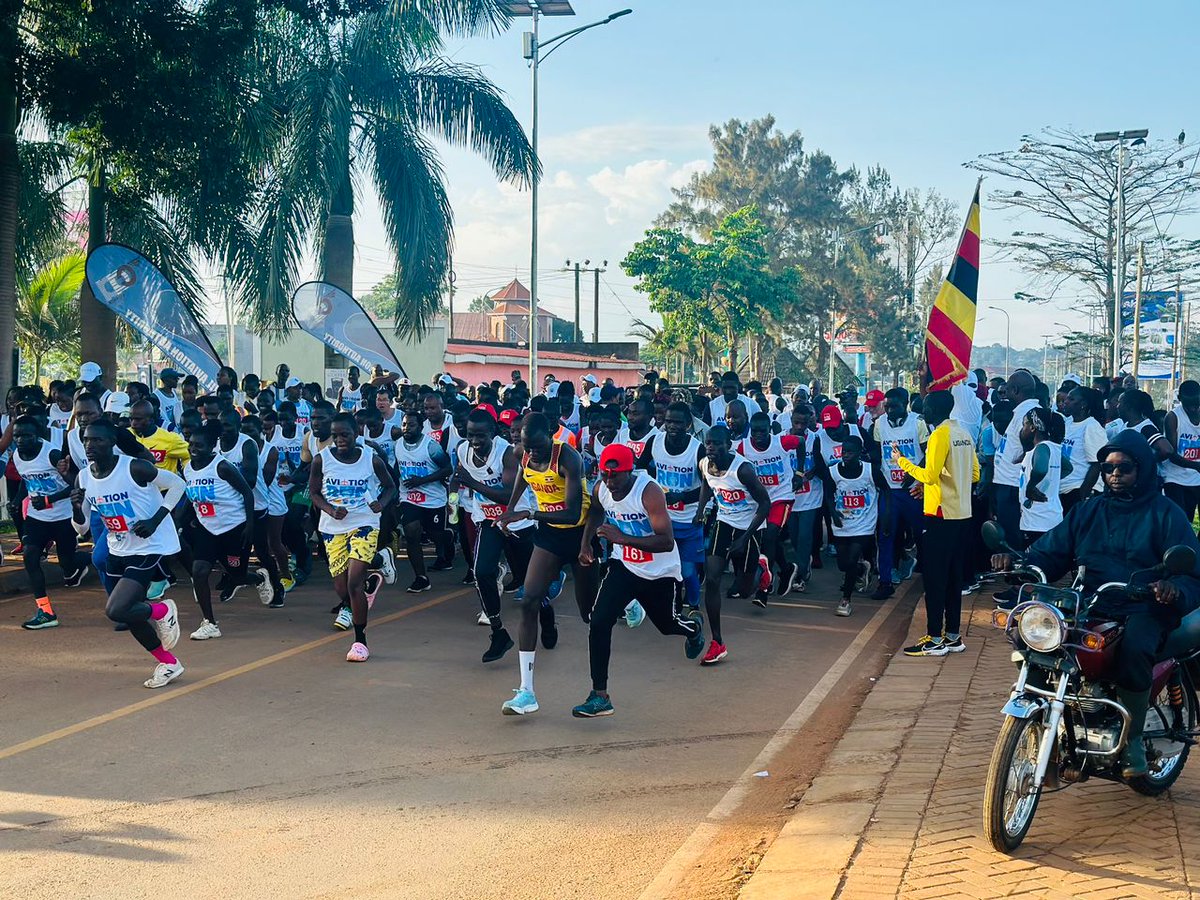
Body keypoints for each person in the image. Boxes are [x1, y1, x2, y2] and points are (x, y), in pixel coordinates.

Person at [991, 430, 1200, 778]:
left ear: (1144, 469)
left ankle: (1132, 741)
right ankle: (1061, 720)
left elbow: (1190, 571)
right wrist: (1020, 563)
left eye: (1125, 468)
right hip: (1090, 602)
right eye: (1107, 468)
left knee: (1135, 649)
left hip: (1144, 605)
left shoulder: (1167, 514)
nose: (1114, 475)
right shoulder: (1088, 510)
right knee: (1031, 637)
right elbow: (1052, 550)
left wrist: (1170, 587)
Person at [572, 444, 704, 717]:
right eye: (606, 476)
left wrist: (623, 538)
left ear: (629, 471)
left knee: (668, 627)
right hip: (625, 567)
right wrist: (585, 544)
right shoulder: (601, 489)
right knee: (598, 621)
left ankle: (693, 628)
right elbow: (596, 510)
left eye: (616, 476)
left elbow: (666, 541)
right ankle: (600, 696)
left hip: (660, 574)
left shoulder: (649, 492)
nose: (610, 483)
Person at [73, 418, 187, 688]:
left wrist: (156, 519)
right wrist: (77, 509)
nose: (90, 445)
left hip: (148, 546)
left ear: (112, 443)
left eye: (97, 440)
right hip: (117, 547)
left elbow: (178, 485)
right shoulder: (84, 477)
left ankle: (161, 609)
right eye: (86, 440)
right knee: (125, 612)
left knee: (116, 609)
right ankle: (169, 663)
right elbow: (82, 528)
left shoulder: (134, 468)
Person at [496, 412, 596, 716]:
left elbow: (570, 512)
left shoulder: (569, 458)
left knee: (588, 612)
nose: (533, 452)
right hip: (550, 536)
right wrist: (509, 509)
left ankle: (628, 601)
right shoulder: (522, 452)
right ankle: (527, 692)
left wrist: (527, 515)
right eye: (528, 446)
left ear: (552, 435)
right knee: (528, 601)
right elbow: (523, 479)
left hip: (580, 533)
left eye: (538, 446)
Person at [895, 390, 980, 656]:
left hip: (941, 515)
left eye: (927, 408)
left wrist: (902, 462)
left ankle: (934, 638)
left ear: (935, 410)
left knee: (935, 578)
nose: (923, 412)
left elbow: (930, 475)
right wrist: (936, 487)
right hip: (962, 513)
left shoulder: (939, 435)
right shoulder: (963, 433)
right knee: (955, 576)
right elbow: (974, 473)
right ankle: (953, 635)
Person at [310, 412, 397, 661]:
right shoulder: (321, 460)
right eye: (335, 435)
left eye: (344, 435)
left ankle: (360, 642)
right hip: (332, 527)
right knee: (341, 587)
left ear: (356, 434)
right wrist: (329, 509)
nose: (339, 440)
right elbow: (314, 493)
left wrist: (381, 503)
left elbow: (390, 486)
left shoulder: (371, 459)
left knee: (353, 583)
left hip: (364, 523)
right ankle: (379, 562)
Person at [455, 408, 534, 663]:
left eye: (481, 436)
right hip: (489, 521)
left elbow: (509, 496)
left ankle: (546, 616)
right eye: (470, 436)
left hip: (517, 522)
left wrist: (472, 483)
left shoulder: (507, 454)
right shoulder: (462, 450)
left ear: (493, 433)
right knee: (482, 572)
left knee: (529, 581)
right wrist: (453, 496)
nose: (475, 442)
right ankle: (498, 632)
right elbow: (457, 476)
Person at [696, 424, 771, 664]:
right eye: (708, 442)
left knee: (745, 589)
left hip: (750, 526)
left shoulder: (744, 470)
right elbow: (706, 485)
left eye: (717, 443)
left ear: (729, 445)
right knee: (714, 578)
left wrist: (745, 537)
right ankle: (717, 641)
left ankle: (762, 570)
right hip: (723, 522)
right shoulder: (705, 464)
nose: (712, 447)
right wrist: (701, 510)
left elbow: (765, 504)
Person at [181, 421, 261, 640]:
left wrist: (250, 525)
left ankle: (259, 579)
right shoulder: (188, 468)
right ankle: (209, 622)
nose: (193, 450)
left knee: (237, 575)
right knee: (199, 571)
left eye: (199, 446)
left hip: (234, 528)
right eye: (191, 445)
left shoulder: (222, 467)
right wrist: (184, 520)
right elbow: (191, 497)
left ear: (212, 447)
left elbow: (247, 493)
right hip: (207, 529)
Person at [14, 415, 91, 629]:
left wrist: (49, 499)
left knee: (66, 563)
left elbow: (76, 484)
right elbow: (26, 479)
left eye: (26, 436)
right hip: (37, 518)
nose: (20, 440)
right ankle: (45, 611)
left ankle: (86, 561)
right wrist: (18, 499)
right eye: (17, 436)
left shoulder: (51, 454)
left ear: (37, 435)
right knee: (30, 556)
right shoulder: (18, 456)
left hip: (63, 517)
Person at [646, 401, 707, 616]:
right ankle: (673, 606)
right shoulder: (654, 442)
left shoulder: (697, 449)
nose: (672, 426)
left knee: (688, 571)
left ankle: (694, 604)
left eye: (678, 423)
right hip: (662, 519)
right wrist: (653, 490)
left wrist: (681, 497)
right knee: (667, 569)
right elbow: (641, 470)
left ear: (688, 425)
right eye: (668, 421)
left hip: (689, 520)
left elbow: (706, 487)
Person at [737, 410, 803, 603]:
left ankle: (764, 590)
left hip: (782, 497)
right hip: (760, 500)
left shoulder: (780, 442)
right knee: (768, 541)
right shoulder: (743, 448)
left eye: (762, 431)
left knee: (770, 534)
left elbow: (800, 442)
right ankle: (786, 568)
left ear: (769, 430)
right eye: (754, 431)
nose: (758, 435)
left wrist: (799, 472)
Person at [822, 435, 890, 617]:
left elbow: (886, 491)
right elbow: (828, 495)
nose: (846, 455)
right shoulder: (833, 472)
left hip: (864, 524)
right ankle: (861, 569)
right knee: (843, 564)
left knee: (851, 559)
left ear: (860, 453)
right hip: (842, 524)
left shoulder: (871, 471)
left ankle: (845, 600)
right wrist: (833, 514)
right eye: (844, 452)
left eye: (850, 452)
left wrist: (885, 517)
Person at [871, 388, 928, 598]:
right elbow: (877, 455)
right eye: (886, 406)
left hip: (914, 491)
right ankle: (885, 582)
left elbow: (929, 451)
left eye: (894, 406)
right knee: (885, 535)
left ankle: (930, 576)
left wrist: (914, 475)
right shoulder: (880, 424)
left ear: (905, 404)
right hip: (890, 492)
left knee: (922, 534)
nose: (889, 410)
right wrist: (880, 481)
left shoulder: (918, 422)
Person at [395, 410, 454, 591]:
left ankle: (447, 537)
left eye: (411, 425)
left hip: (433, 498)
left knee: (434, 533)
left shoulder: (431, 447)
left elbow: (447, 469)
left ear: (421, 427)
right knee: (411, 533)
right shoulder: (398, 444)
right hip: (409, 497)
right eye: (404, 424)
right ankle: (421, 578)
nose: (406, 428)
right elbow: (397, 467)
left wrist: (421, 481)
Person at [1017, 406, 1071, 551]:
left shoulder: (1042, 447)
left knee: (1032, 565)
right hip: (1051, 518)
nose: (1023, 429)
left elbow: (1040, 469)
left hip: (1037, 521)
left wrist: (1030, 487)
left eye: (1025, 424)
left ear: (1033, 427)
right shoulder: (1054, 447)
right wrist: (1050, 480)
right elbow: (1067, 468)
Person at [1058, 387, 1107, 514]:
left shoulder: (1091, 427)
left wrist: (1083, 493)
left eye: (1071, 399)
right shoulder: (1067, 423)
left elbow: (1097, 464)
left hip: (1078, 490)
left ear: (1083, 404)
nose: (1065, 401)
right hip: (1063, 489)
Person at [1160, 380, 1200, 522]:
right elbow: (1172, 455)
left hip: (1196, 477)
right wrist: (1196, 466)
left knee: (1189, 520)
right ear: (1180, 399)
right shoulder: (1173, 417)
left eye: (1197, 404)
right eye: (1188, 405)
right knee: (1181, 520)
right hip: (1175, 477)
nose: (1193, 409)